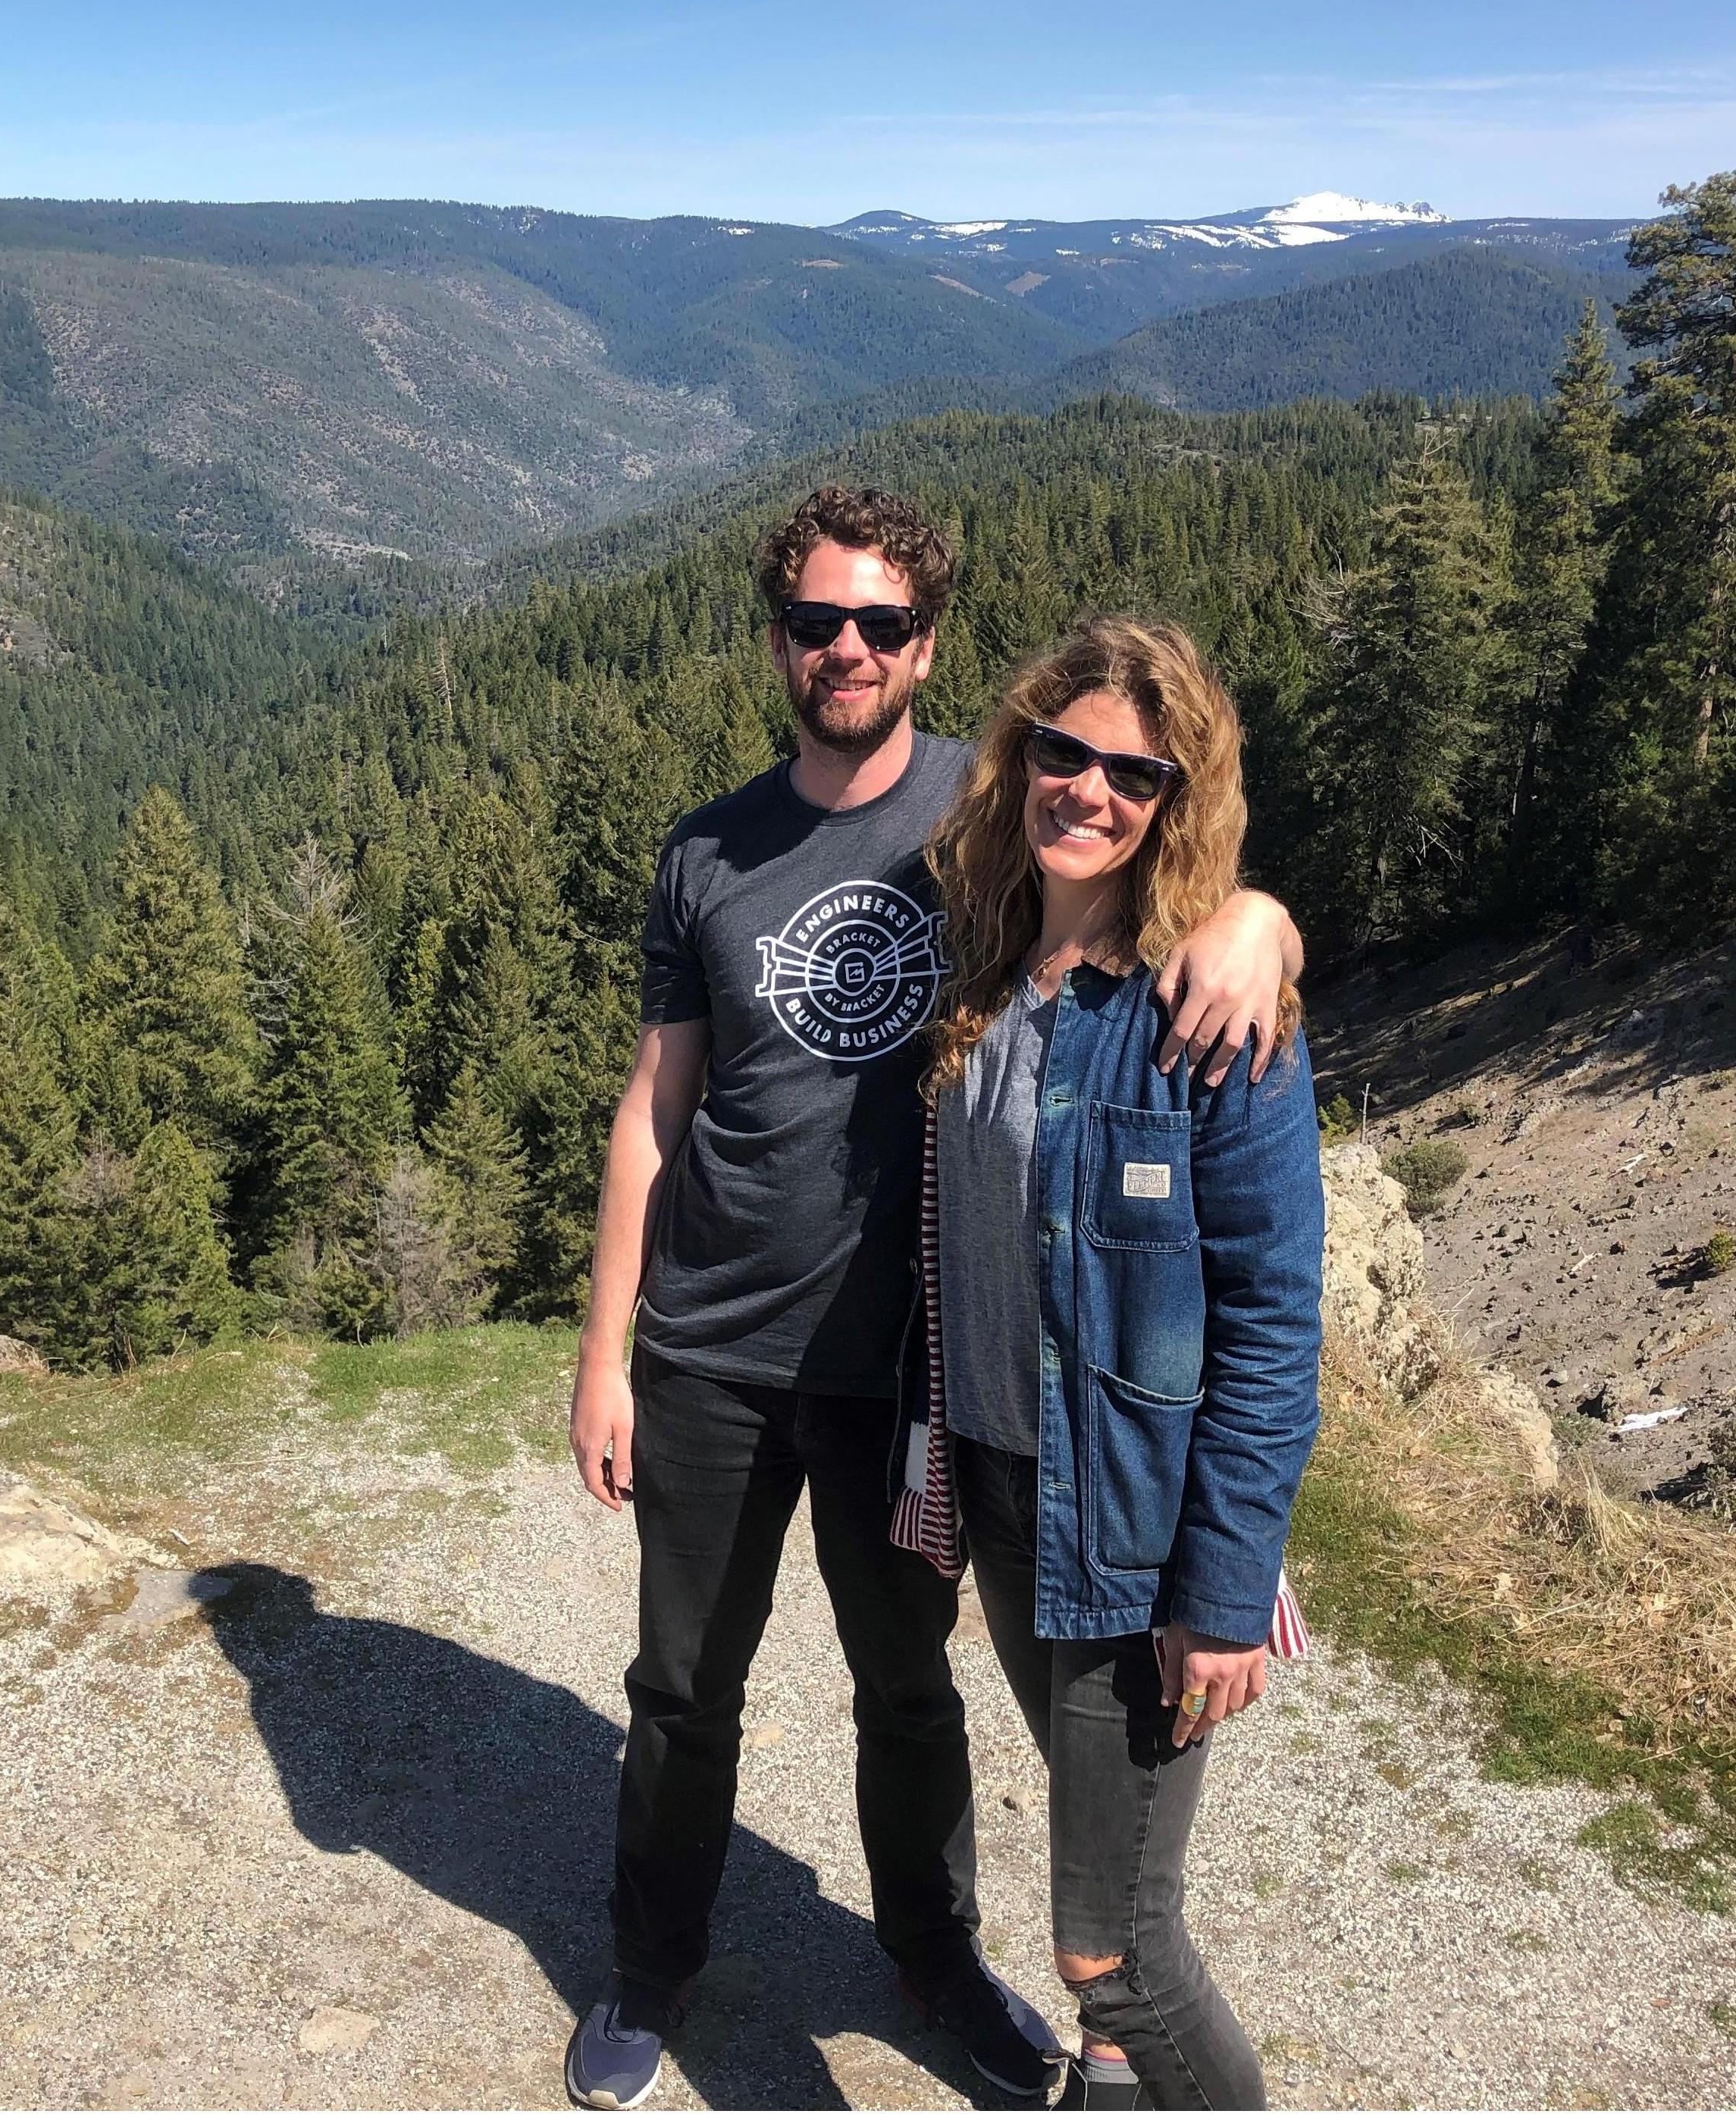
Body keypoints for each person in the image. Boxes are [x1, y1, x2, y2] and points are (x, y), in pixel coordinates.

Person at [563, 488, 1304, 2112]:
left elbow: (1166, 876)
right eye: (820, 622)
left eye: (882, 624)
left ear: (928, 645)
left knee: (908, 1690)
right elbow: (651, 1105)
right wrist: (603, 1347)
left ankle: (933, 1954)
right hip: (708, 1349)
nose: (848, 648)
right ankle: (651, 1967)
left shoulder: (985, 816)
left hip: (902, 1377)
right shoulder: (712, 850)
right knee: (684, 1684)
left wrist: (1264, 916)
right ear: (779, 640)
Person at [903, 615, 1325, 2111]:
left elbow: (1276, 1330)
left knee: (1115, 1948)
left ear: (1175, 804)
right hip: (1014, 1504)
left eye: (1132, 776)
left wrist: (1222, 1599)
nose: (1088, 790)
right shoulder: (990, 960)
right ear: (1020, 757)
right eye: (1063, 753)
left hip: (1137, 1541)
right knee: (1109, 1883)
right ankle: (1119, 2092)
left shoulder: (1206, 1016)